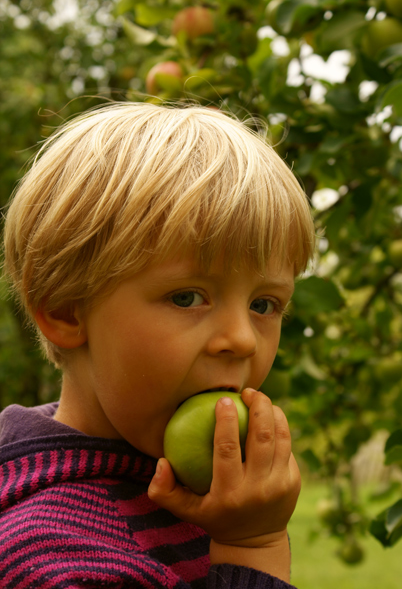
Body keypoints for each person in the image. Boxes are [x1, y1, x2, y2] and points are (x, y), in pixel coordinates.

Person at [0, 103, 315, 589]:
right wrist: (252, 551)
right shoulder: (52, 557)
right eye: (187, 297)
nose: (241, 339)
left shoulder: (201, 491)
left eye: (264, 304)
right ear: (66, 311)